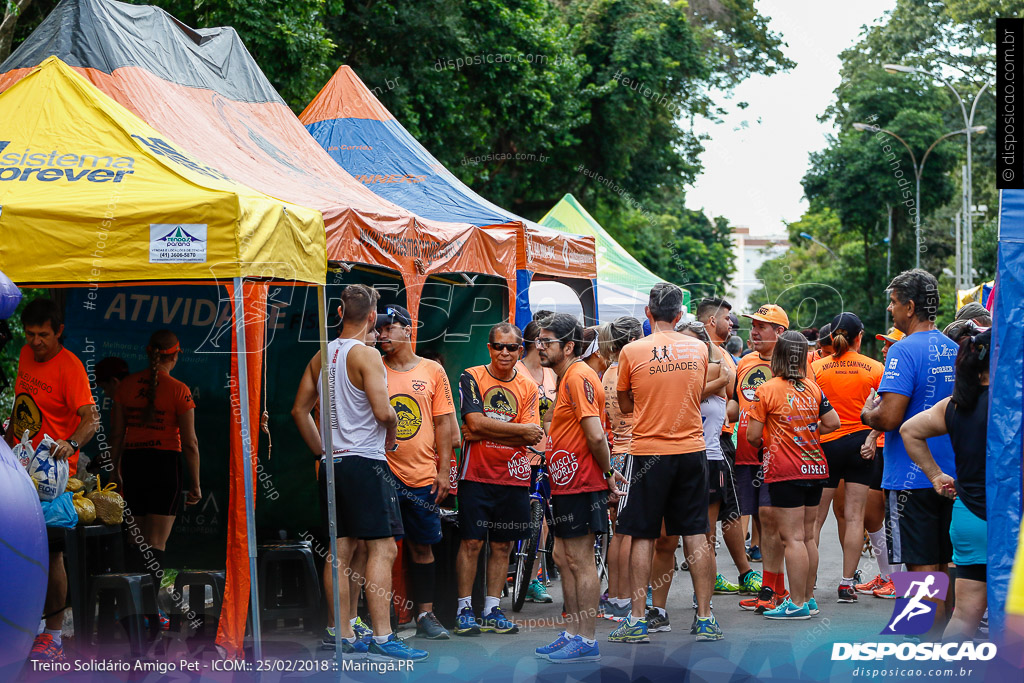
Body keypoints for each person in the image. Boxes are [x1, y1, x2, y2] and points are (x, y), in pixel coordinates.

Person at [291, 284, 427, 661]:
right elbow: (385, 413)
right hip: (366, 464)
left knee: (341, 550)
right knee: (382, 548)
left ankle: (343, 631)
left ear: (338, 312)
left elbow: (298, 411)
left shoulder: (321, 355)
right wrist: (393, 435)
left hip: (333, 465)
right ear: (371, 317)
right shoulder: (366, 355)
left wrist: (322, 451)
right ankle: (384, 637)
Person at [609, 283, 721, 643]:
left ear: (648, 313)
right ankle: (705, 617)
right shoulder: (699, 348)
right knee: (695, 533)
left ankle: (638, 618)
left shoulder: (632, 350)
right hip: (691, 450)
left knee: (642, 533)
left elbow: (625, 404)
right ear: (678, 316)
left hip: (648, 453)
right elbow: (697, 390)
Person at [862, 269, 958, 637]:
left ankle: (923, 640)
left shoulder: (902, 350)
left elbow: (889, 417)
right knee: (949, 560)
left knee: (920, 564)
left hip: (911, 476)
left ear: (911, 306)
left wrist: (866, 411)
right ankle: (948, 636)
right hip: (952, 472)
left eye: (894, 302)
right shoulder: (955, 349)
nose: (890, 309)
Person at [5, 298, 98, 662]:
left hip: (51, 478)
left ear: (59, 331)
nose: (35, 341)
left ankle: (55, 635)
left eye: (43, 335)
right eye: (29, 334)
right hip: (17, 468)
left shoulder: (70, 367)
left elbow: (90, 419)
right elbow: (22, 405)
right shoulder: (26, 356)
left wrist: (71, 443)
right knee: (16, 549)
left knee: (52, 553)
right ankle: (18, 626)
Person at [533, 313, 625, 663]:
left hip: (582, 481)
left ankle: (585, 638)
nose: (540, 347)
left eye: (547, 341)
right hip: (567, 481)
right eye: (539, 340)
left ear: (568, 346)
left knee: (581, 560)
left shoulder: (580, 375)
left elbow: (595, 433)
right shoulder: (570, 375)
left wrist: (607, 474)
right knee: (562, 556)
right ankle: (573, 631)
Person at [454, 322, 544, 636]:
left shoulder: (529, 386)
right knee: (471, 543)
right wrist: (515, 431)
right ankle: (464, 608)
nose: (504, 353)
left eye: (511, 347)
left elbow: (532, 436)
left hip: (514, 477)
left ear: (521, 349)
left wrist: (485, 430)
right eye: (498, 346)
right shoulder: (471, 375)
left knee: (503, 546)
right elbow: (473, 422)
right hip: (475, 476)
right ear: (489, 348)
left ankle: (492, 609)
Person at [900, 327, 990, 641]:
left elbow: (909, 430)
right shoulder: (1011, 405)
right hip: (1008, 521)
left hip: (969, 518)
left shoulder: (955, 404)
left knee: (964, 615)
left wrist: (936, 475)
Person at [110, 330, 201, 626]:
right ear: (174, 356)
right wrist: (196, 484)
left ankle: (132, 615)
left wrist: (115, 472)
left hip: (134, 465)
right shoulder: (179, 390)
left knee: (135, 541)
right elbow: (190, 443)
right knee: (156, 545)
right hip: (165, 467)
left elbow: (117, 437)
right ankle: (150, 615)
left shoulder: (125, 386)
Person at [375, 305, 455, 640]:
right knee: (380, 549)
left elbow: (444, 424)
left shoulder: (433, 370)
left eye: (389, 328)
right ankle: (384, 619)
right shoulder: (372, 367)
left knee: (423, 547)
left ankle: (425, 614)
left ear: (408, 329)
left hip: (423, 475)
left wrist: (443, 471)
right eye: (379, 329)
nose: (382, 335)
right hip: (381, 472)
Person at [747, 331, 840, 619]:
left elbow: (752, 436)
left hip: (785, 471)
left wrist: (776, 438)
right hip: (816, 467)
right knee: (808, 537)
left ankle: (796, 603)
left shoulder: (767, 389)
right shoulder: (813, 388)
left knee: (793, 539)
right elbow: (833, 422)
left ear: (778, 355)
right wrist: (808, 432)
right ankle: (809, 599)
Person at [731, 303, 811, 613]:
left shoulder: (802, 367)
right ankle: (773, 590)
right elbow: (735, 403)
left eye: (761, 326)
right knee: (755, 519)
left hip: (779, 457)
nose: (753, 331)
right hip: (746, 454)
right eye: (752, 325)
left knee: (770, 519)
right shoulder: (744, 362)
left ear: (780, 333)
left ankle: (774, 590)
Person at [811, 313, 882, 604]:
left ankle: (807, 582)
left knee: (814, 520)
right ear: (859, 336)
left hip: (825, 445)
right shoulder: (875, 368)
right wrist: (872, 437)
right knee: (855, 518)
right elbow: (887, 407)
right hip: (860, 447)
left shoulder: (816, 368)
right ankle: (846, 584)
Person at [696, 298, 761, 598]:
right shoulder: (700, 352)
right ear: (711, 321)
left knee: (725, 510)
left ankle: (725, 574)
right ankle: (730, 577)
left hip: (713, 440)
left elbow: (732, 403)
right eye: (727, 318)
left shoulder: (723, 355)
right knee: (720, 514)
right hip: (709, 444)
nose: (732, 324)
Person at [597, 316, 642, 621]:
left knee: (619, 531)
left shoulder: (608, 373)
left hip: (616, 455)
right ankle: (621, 599)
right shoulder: (631, 370)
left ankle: (617, 596)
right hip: (634, 454)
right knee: (629, 533)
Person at [856, 326, 906, 599]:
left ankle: (899, 580)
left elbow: (887, 414)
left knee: (896, 516)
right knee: (873, 513)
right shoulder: (888, 371)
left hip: (900, 453)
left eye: (890, 345)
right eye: (884, 344)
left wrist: (872, 435)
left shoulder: (903, 370)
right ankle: (887, 574)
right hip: (884, 450)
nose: (885, 350)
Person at [515, 318, 557, 604]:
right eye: (544, 340)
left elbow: (554, 414)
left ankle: (533, 578)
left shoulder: (553, 374)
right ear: (535, 342)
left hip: (547, 456)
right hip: (519, 455)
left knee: (543, 520)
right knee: (518, 518)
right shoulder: (515, 371)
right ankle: (516, 574)